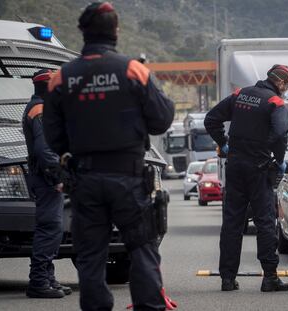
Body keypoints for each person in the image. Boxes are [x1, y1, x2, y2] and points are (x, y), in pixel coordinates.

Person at [43, 2, 175, 310]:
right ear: (116, 31)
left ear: (82, 31)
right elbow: (162, 119)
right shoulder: (133, 70)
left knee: (90, 255)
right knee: (142, 246)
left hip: (85, 180)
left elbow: (53, 136)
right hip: (128, 177)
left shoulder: (61, 78)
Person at [204, 64, 288, 292]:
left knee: (232, 222)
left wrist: (223, 143)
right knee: (265, 221)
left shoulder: (239, 95)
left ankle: (227, 278)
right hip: (259, 168)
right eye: (287, 85)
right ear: (281, 83)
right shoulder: (275, 102)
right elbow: (281, 133)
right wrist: (279, 160)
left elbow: (211, 119)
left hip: (234, 166)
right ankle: (270, 277)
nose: (285, 89)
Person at [22, 69, 72, 298]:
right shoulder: (41, 110)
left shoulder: (39, 106)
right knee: (49, 229)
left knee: (52, 228)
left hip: (42, 177)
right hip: (46, 179)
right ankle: (39, 282)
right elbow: (45, 150)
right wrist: (57, 178)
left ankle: (48, 279)